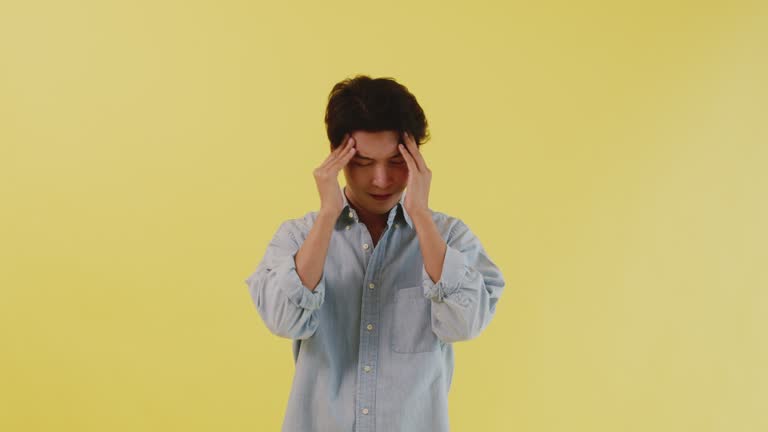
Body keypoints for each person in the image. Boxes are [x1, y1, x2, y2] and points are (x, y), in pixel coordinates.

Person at [244, 75, 506, 432]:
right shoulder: (299, 236)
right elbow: (283, 320)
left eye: (396, 162)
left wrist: (421, 217)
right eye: (363, 163)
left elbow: (465, 325)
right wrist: (326, 216)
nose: (381, 180)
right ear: (336, 159)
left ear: (416, 159)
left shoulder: (450, 238)